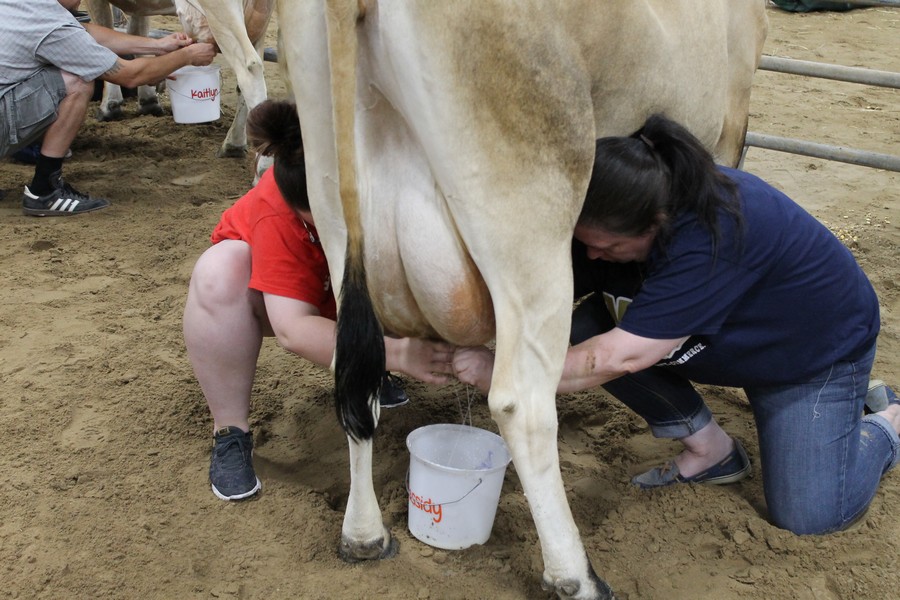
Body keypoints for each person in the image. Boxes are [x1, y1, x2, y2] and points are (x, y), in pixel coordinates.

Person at [452, 114, 899, 535]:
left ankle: (887, 422)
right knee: (587, 328)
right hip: (718, 340)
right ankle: (711, 451)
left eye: (606, 248)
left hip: (809, 360)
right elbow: (536, 293)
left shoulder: (715, 233)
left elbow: (621, 356)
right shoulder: (618, 211)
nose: (591, 257)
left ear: (656, 226)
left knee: (812, 516)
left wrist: (503, 375)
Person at [183, 99, 456, 501]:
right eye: (327, 222)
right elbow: (294, 329)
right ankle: (230, 432)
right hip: (276, 300)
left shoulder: (384, 170)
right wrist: (397, 354)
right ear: (301, 208)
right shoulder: (274, 212)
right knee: (218, 272)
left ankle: (371, 369)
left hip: (353, 291)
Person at [0, 0, 216, 216]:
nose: (80, 1)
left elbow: (85, 32)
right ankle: (44, 191)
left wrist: (157, 45)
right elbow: (130, 75)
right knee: (77, 80)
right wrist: (186, 56)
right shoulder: (53, 27)